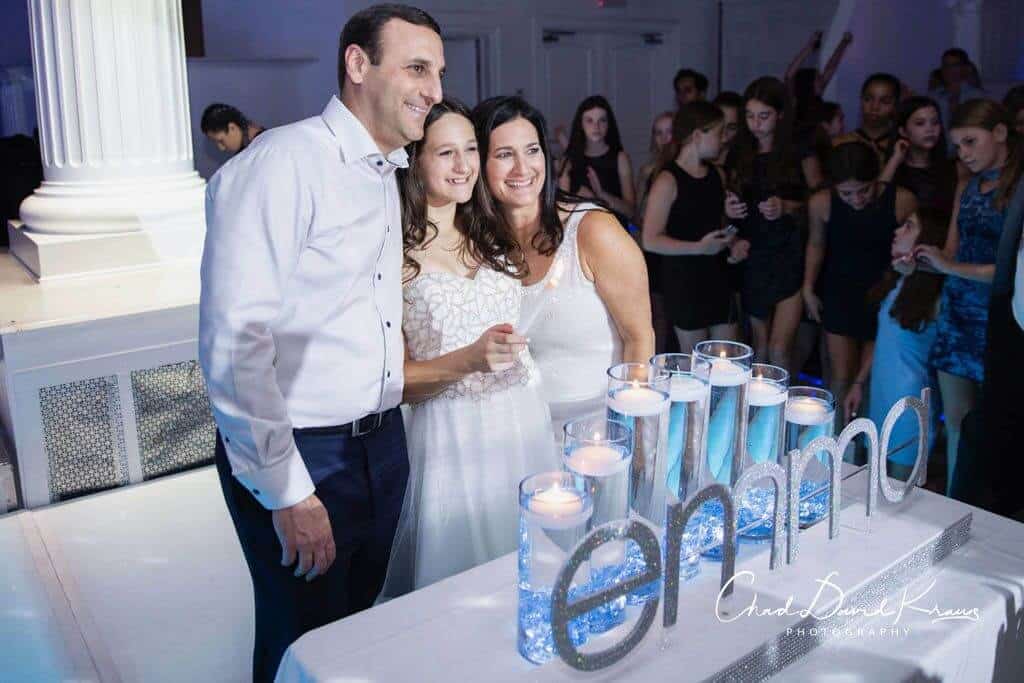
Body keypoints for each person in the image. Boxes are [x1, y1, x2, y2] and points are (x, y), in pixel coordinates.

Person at [198, 6, 443, 680]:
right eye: (417, 67)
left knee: (358, 628)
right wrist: (286, 490)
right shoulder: (283, 162)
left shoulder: (384, 171)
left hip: (379, 440)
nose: (435, 89)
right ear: (357, 65)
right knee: (301, 638)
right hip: (306, 448)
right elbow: (235, 339)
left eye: (439, 73)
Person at [384, 98, 554, 592]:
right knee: (462, 589)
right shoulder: (396, 256)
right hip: (453, 438)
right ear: (415, 161)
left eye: (471, 149)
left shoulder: (492, 234)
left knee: (534, 570)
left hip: (522, 422)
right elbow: (398, 383)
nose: (464, 166)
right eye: (445, 153)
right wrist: (470, 360)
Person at [472, 95, 654, 437]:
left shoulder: (593, 231)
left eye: (532, 150)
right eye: (504, 154)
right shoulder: (481, 245)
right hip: (515, 437)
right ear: (479, 163)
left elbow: (640, 339)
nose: (522, 169)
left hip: (596, 439)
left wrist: (634, 443)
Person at [913, 99, 1021, 496]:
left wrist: (949, 267)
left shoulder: (1019, 188)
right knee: (956, 419)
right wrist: (921, 262)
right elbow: (953, 254)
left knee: (996, 424)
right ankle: (957, 504)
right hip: (958, 312)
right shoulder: (969, 183)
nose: (965, 153)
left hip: (1003, 316)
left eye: (971, 142)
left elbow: (1014, 271)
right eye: (958, 145)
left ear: (1001, 133)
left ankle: (991, 506)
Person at [804, 142, 917, 425]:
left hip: (883, 294)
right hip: (839, 291)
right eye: (846, 193)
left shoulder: (901, 200)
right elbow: (816, 244)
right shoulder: (822, 203)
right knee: (841, 377)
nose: (856, 199)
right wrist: (808, 287)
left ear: (877, 178)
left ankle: (867, 448)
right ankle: (835, 443)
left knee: (871, 377)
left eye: (864, 190)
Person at [842, 208, 947, 481]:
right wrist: (858, 383)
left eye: (909, 227)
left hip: (910, 406)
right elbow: (882, 341)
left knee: (901, 491)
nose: (897, 231)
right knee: (872, 482)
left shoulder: (939, 297)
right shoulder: (899, 281)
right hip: (880, 393)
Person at [725, 76, 812, 374]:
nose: (756, 124)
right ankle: (759, 414)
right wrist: (730, 207)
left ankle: (784, 413)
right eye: (749, 116)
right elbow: (730, 195)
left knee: (779, 348)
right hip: (754, 251)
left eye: (764, 116)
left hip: (789, 250)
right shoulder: (739, 152)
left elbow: (821, 200)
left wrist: (786, 206)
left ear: (780, 114)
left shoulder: (799, 151)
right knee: (759, 348)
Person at [643, 101, 739, 352]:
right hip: (684, 280)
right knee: (698, 364)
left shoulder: (717, 174)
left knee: (726, 361)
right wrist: (699, 248)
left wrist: (733, 240)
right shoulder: (667, 180)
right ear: (698, 135)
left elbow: (716, 224)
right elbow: (650, 239)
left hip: (718, 275)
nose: (723, 141)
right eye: (719, 133)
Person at [558, 95, 636, 223]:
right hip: (581, 232)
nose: (596, 126)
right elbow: (562, 213)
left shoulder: (620, 158)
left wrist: (601, 196)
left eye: (602, 120)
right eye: (589, 120)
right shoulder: (569, 160)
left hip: (615, 230)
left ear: (609, 124)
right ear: (581, 124)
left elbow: (631, 212)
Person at [635, 110, 675, 353]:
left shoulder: (687, 168)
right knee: (657, 308)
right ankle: (657, 360)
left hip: (680, 244)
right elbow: (637, 212)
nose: (665, 138)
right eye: (659, 133)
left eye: (670, 131)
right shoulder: (648, 170)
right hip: (655, 247)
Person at [881, 96, 958, 215]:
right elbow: (877, 203)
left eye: (935, 122)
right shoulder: (894, 169)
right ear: (903, 131)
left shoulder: (953, 169)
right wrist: (895, 160)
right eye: (920, 123)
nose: (930, 129)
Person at [833, 73, 900, 165]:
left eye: (885, 101)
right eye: (868, 99)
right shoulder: (840, 143)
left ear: (895, 106)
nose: (875, 107)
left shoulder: (900, 147)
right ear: (861, 100)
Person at [929, 48, 985, 153]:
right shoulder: (933, 97)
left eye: (954, 65)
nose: (949, 69)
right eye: (945, 65)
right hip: (939, 153)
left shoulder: (977, 96)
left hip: (970, 152)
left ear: (965, 68)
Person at [200, 103, 265, 155]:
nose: (221, 148)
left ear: (232, 127)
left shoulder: (262, 148)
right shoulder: (258, 145)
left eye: (221, 141)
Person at [711, 91, 743, 170]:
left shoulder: (745, 162)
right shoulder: (695, 158)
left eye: (731, 128)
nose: (724, 136)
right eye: (719, 125)